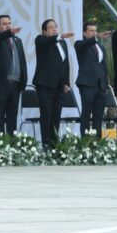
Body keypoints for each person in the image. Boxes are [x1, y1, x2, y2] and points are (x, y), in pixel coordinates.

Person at [32, 19, 73, 147]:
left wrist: (66, 82)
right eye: (50, 28)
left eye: (55, 27)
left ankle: (54, 142)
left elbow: (65, 64)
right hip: (45, 84)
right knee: (46, 115)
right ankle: (45, 142)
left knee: (56, 115)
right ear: (44, 31)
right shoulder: (41, 40)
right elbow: (47, 41)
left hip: (59, 86)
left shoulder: (62, 43)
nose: (54, 29)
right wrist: (59, 36)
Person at [0, 15, 27, 135]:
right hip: (0, 84)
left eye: (9, 23)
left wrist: (23, 82)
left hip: (15, 84)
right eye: (4, 24)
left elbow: (22, 61)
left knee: (12, 117)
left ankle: (12, 145)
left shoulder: (17, 41)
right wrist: (9, 32)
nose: (8, 25)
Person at [74, 22, 110, 138]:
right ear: (84, 33)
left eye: (95, 30)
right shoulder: (79, 44)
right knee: (86, 113)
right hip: (87, 84)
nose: (94, 33)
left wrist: (106, 83)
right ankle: (85, 140)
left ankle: (97, 141)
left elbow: (103, 66)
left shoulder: (101, 47)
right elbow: (83, 45)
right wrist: (97, 37)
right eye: (91, 31)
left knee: (98, 116)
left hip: (100, 85)